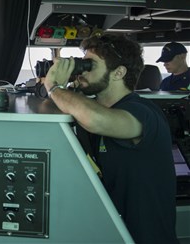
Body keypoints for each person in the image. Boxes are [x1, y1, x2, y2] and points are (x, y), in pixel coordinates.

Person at [44, 34, 177, 244]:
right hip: (112, 232)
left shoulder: (143, 111)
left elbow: (95, 120)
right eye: (82, 63)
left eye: (90, 65)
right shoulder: (91, 106)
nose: (83, 70)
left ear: (119, 73)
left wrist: (54, 88)